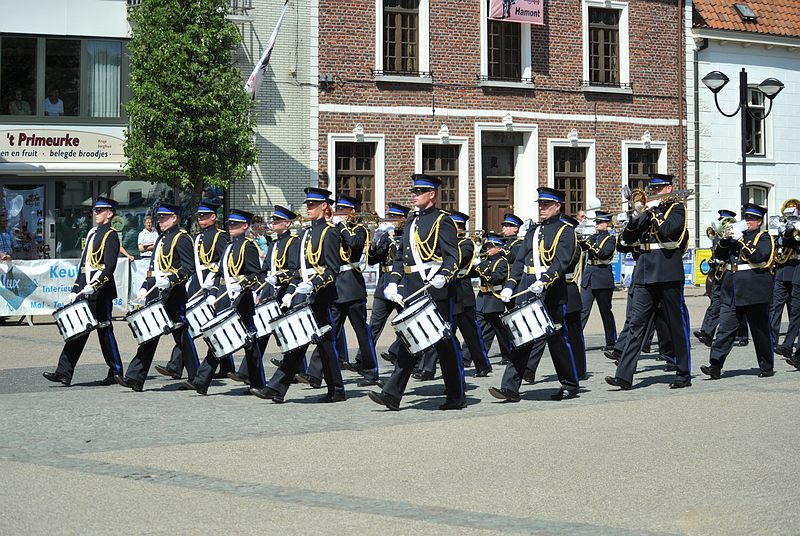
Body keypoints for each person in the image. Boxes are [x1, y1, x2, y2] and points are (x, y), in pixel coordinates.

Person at [368, 174, 466, 411]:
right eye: (413, 191)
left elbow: (453, 256)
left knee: (444, 342)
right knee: (408, 339)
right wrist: (392, 281)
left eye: (419, 192)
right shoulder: (411, 221)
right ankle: (392, 393)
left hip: (436, 288)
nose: (414, 195)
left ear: (431, 194)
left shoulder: (442, 220)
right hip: (414, 289)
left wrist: (445, 275)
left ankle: (456, 394)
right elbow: (401, 258)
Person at [251, 187, 345, 403]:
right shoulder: (305, 234)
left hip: (320, 295)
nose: (308, 208)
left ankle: (335, 389)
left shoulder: (329, 232)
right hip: (304, 294)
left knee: (325, 344)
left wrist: (313, 285)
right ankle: (279, 388)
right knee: (303, 341)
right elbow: (299, 269)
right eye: (308, 204)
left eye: (313, 204)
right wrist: (292, 291)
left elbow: (332, 270)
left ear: (324, 206)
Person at [489, 187, 580, 402]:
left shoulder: (565, 231)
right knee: (521, 337)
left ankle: (570, 384)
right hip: (528, 288)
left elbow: (561, 261)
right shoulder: (533, 231)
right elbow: (520, 261)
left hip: (552, 290)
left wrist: (546, 280)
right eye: (540, 204)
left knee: (556, 341)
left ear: (557, 206)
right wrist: (510, 285)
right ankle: (510, 387)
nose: (542, 208)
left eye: (546, 205)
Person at [605, 174, 692, 391]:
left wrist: (651, 212)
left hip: (667, 271)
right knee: (636, 324)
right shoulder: (647, 210)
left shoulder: (677, 209)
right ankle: (624, 375)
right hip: (644, 271)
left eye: (659, 188)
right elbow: (626, 242)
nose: (654, 192)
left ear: (669, 189)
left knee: (675, 324)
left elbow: (669, 231)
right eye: (652, 188)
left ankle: (683, 372)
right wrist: (635, 218)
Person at [115, 203, 199, 391]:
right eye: (159, 218)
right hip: (156, 294)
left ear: (174, 218)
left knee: (182, 337)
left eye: (164, 218)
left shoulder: (182, 238)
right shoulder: (161, 239)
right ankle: (135, 377)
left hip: (174, 294)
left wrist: (170, 280)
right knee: (150, 335)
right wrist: (145, 287)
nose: (160, 221)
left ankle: (197, 377)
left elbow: (189, 268)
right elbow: (152, 269)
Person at [43, 198, 124, 386]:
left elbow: (109, 267)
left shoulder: (110, 235)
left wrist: (95, 285)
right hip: (86, 291)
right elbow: (84, 265)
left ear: (109, 214)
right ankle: (64, 372)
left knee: (105, 332)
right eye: (95, 211)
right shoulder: (92, 233)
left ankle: (116, 370)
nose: (95, 213)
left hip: (101, 292)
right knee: (78, 331)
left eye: (99, 211)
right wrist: (76, 289)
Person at [185, 209, 266, 395]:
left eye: (235, 224)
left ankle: (258, 383)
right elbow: (220, 274)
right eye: (229, 224)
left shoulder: (248, 246)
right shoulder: (229, 247)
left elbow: (257, 274)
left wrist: (243, 284)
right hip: (224, 299)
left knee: (250, 343)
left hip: (241, 301)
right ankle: (201, 381)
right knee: (218, 338)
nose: (230, 227)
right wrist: (213, 293)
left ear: (245, 226)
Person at [305, 195, 379, 386]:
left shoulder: (359, 229)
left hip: (352, 286)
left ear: (352, 212)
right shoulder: (332, 229)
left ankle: (370, 370)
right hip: (335, 286)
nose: (340, 214)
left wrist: (341, 225)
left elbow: (353, 244)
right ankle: (315, 373)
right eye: (339, 210)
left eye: (345, 211)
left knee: (361, 331)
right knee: (328, 331)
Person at [155, 200, 233, 381]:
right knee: (189, 325)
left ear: (214, 217)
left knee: (211, 324)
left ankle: (226, 364)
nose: (200, 218)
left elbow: (225, 262)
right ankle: (176, 365)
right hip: (197, 284)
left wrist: (215, 283)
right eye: (199, 215)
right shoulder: (197, 238)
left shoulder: (220, 236)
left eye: (204, 215)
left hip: (213, 284)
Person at [700, 203, 775, 379]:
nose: (748, 221)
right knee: (725, 330)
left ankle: (766, 366)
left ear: (759, 221)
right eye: (747, 218)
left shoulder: (764, 237)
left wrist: (740, 240)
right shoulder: (734, 239)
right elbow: (719, 257)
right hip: (732, 289)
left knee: (760, 331)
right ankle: (715, 365)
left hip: (754, 290)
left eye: (752, 219)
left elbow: (759, 257)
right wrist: (725, 240)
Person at [228, 205, 300, 384]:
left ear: (288, 224)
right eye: (273, 220)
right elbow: (265, 272)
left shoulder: (293, 242)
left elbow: (294, 270)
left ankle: (300, 370)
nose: (273, 223)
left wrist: (286, 287)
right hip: (272, 293)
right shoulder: (274, 244)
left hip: (287, 293)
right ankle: (247, 372)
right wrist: (260, 292)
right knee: (261, 333)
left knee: (289, 335)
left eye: (277, 221)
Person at [361, 202, 409, 366]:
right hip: (384, 282)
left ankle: (399, 353)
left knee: (405, 322)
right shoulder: (386, 235)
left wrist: (389, 237)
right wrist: (374, 243)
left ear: (403, 219)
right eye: (390, 217)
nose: (390, 220)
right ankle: (363, 359)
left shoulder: (407, 234)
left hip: (402, 283)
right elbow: (372, 260)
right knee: (374, 323)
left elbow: (400, 257)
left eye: (394, 217)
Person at [694, 209, 750, 348]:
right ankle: (707, 333)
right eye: (721, 221)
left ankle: (743, 335)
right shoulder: (720, 237)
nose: (722, 224)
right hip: (719, 274)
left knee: (738, 306)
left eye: (724, 221)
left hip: (731, 274)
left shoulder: (737, 237)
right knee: (715, 303)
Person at [579, 210, 617, 352]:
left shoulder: (610, 239)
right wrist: (580, 240)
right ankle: (575, 338)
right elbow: (582, 248)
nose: (597, 224)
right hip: (589, 277)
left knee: (605, 312)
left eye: (600, 222)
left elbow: (604, 254)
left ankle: (611, 341)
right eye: (597, 222)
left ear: (607, 223)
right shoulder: (593, 237)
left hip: (602, 277)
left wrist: (591, 245)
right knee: (582, 310)